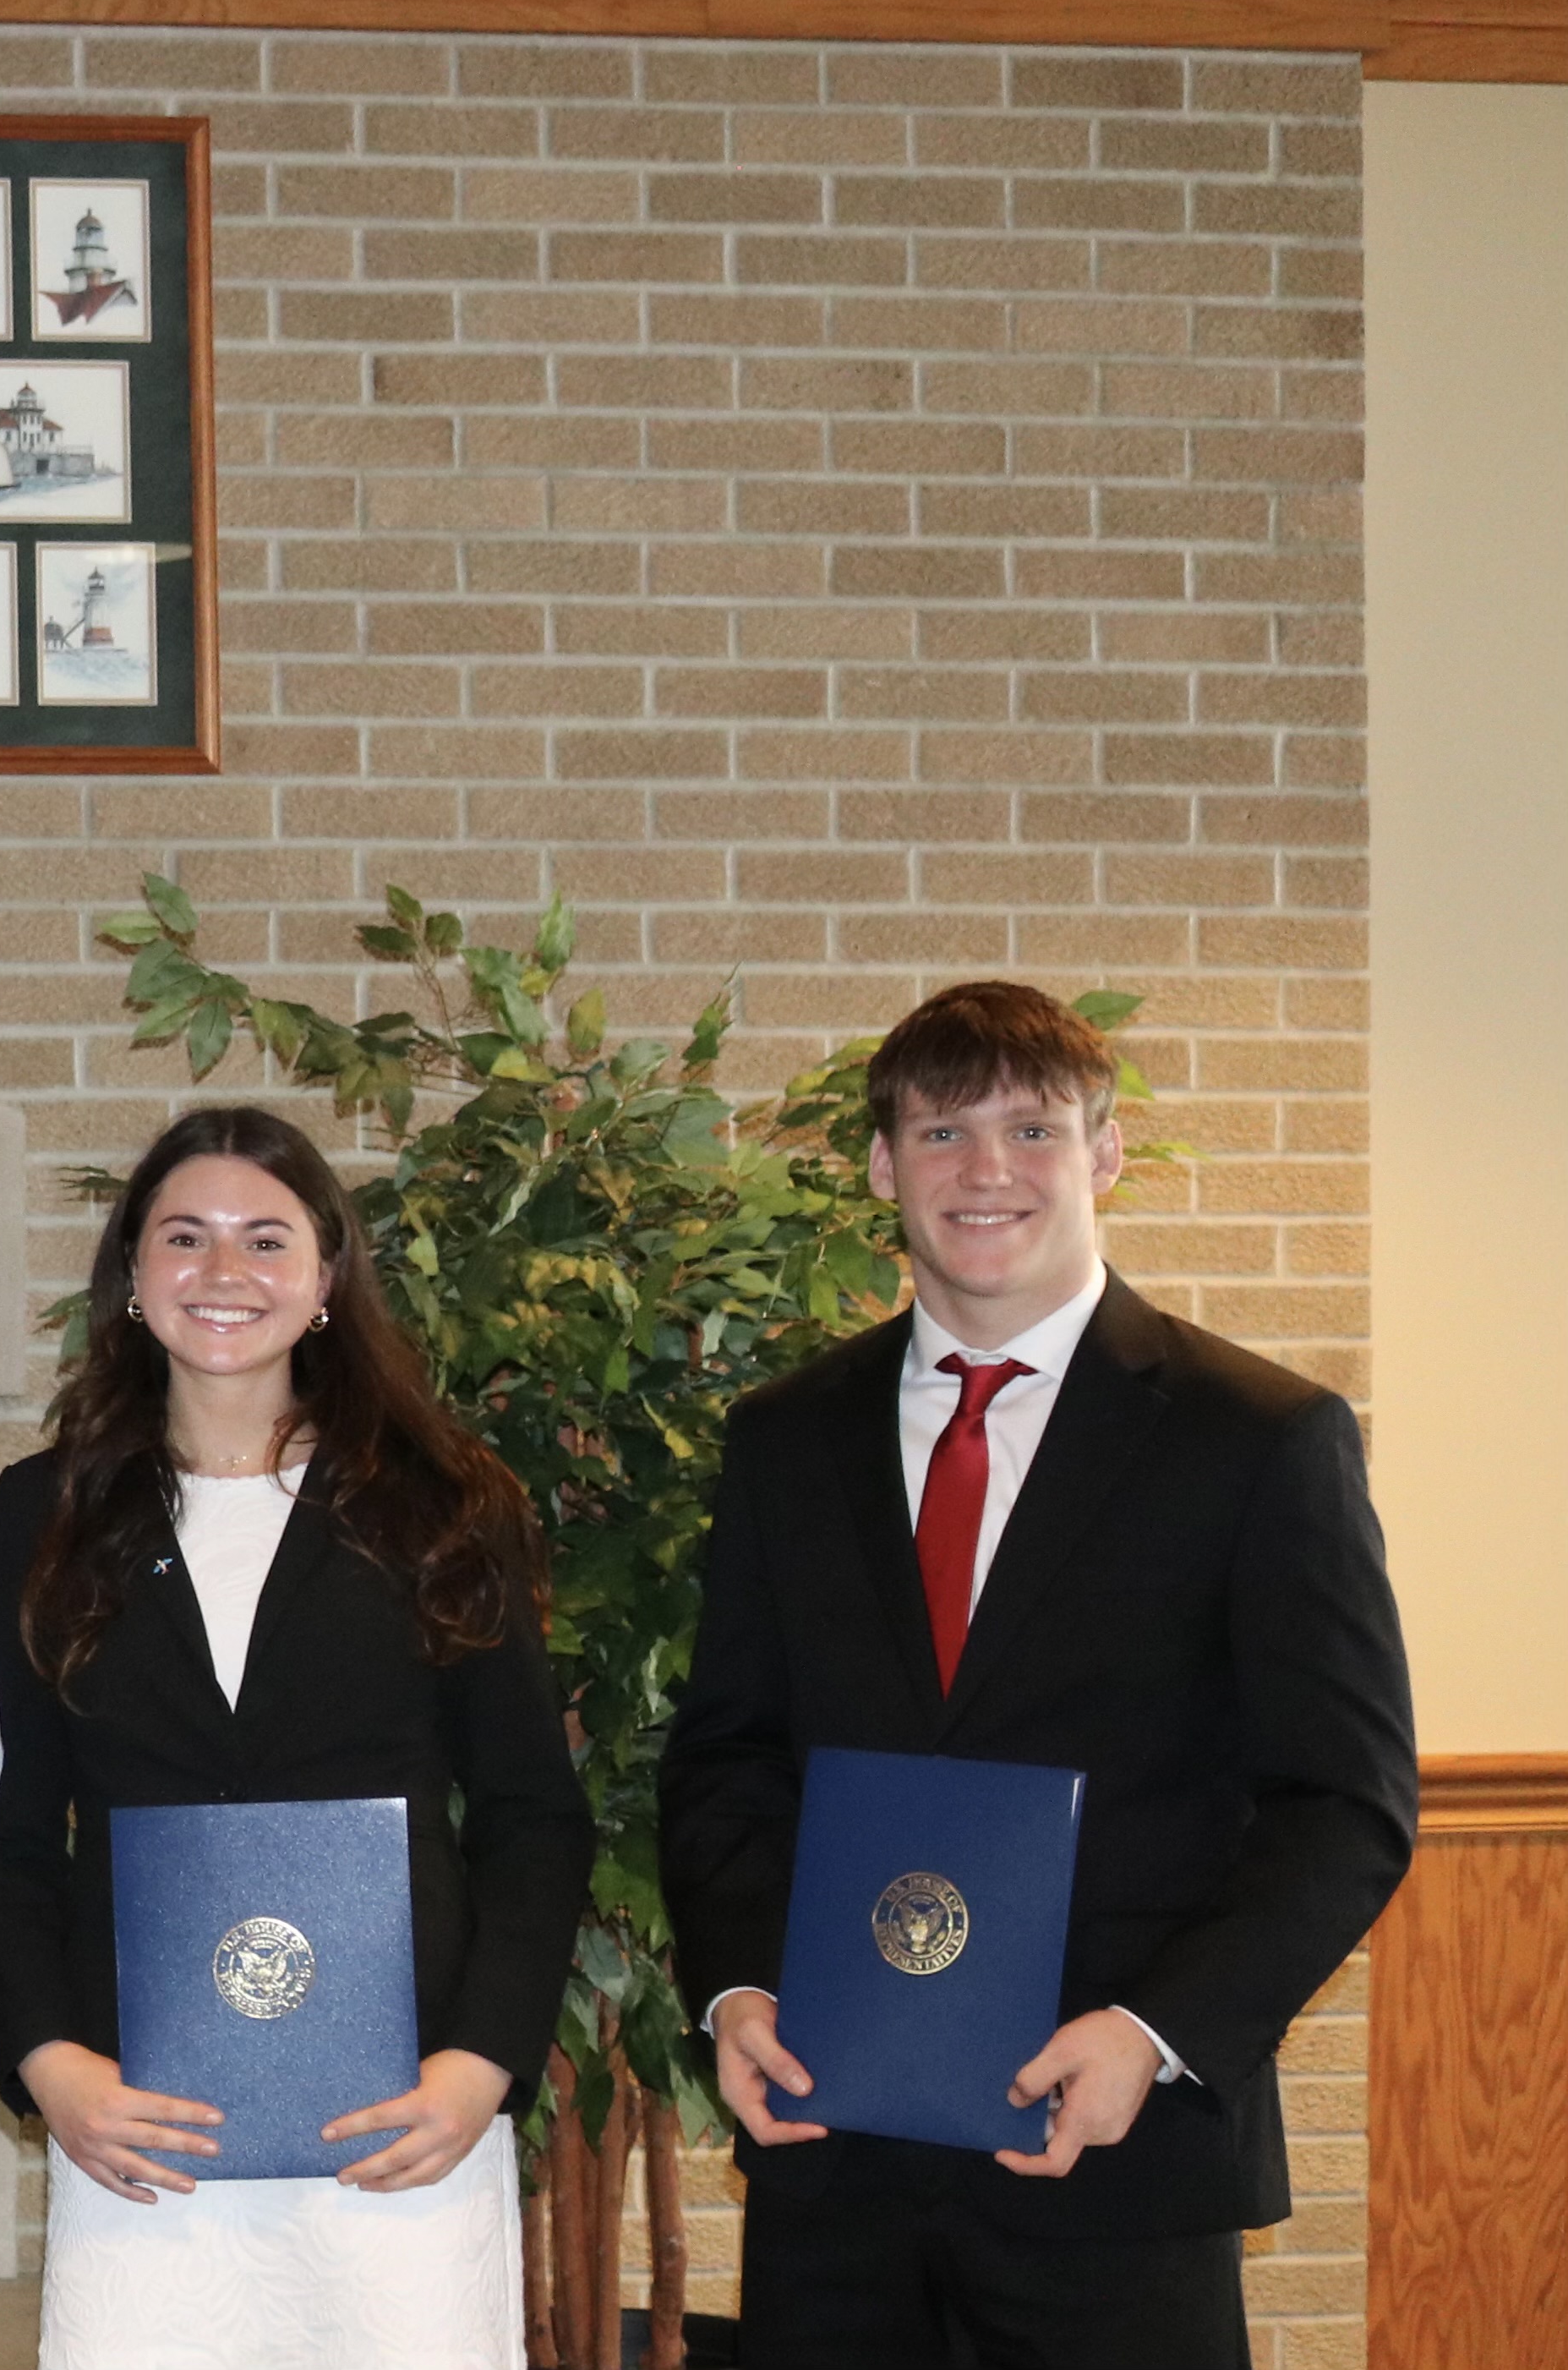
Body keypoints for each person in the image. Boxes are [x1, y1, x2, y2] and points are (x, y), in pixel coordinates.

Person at [661, 982, 1417, 2368]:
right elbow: (728, 1755)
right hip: (836, 2165)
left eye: (1032, 1128)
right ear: (883, 1164)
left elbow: (1346, 1803)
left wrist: (1154, 2032)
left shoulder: (1261, 1436)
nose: (986, 1170)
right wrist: (740, 1988)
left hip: (1118, 2170)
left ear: (1104, 1153)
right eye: (942, 1131)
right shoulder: (786, 1436)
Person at [0, 1106, 591, 2369]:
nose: (224, 1270)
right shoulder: (47, 1511)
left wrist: (482, 2062)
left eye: (266, 1239)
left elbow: (532, 1812)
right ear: (132, 1273)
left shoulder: (441, 1501)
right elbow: (6, 1825)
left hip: (400, 2115)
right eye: (184, 1236)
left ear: (325, 1279)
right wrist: (49, 2060)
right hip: (143, 2120)